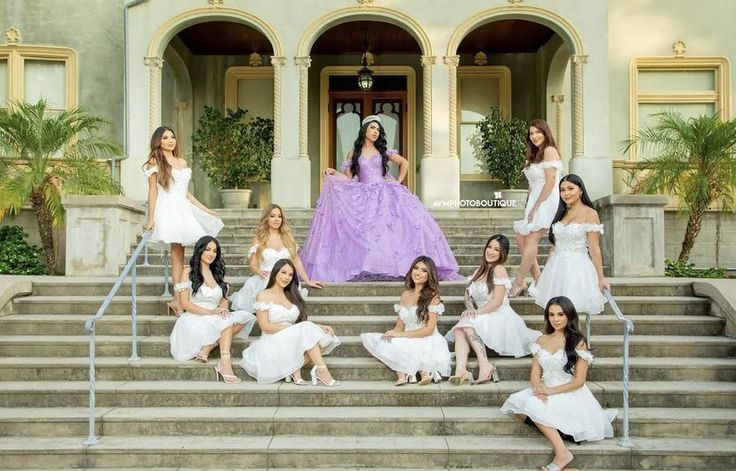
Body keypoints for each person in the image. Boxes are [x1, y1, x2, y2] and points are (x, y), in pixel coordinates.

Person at [300, 115, 462, 282]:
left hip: (385, 194)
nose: (376, 132)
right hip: (363, 196)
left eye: (378, 129)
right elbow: (348, 179)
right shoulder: (354, 153)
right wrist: (334, 173)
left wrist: (398, 181)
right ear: (364, 130)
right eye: (372, 128)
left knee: (392, 229)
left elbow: (404, 163)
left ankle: (394, 267)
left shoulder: (382, 151)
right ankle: (368, 266)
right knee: (369, 233)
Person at [501, 296, 616, 471]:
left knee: (532, 405)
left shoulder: (578, 342)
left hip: (567, 391)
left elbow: (579, 381)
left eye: (560, 314)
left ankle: (562, 453)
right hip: (545, 387)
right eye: (551, 314)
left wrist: (550, 391)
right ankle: (563, 432)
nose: (555, 319)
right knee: (516, 405)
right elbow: (535, 372)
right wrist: (538, 388)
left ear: (569, 316)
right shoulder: (542, 340)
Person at [142, 126, 223, 315]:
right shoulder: (155, 161)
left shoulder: (181, 161)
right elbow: (153, 192)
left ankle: (177, 298)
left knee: (182, 252)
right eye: (165, 138)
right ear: (158, 141)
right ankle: (178, 299)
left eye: (172, 137)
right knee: (176, 255)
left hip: (183, 208)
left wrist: (206, 209)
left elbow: (185, 192)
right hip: (168, 208)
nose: (170, 140)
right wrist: (151, 219)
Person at [446, 235, 541, 385]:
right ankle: (461, 369)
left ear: (502, 253)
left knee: (466, 324)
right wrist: (470, 308)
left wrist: (476, 313)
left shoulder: (499, 269)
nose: (491, 251)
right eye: (489, 247)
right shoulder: (479, 270)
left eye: (496, 249)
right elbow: (468, 294)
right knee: (460, 329)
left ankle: (484, 364)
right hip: (483, 313)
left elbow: (497, 302)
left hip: (499, 314)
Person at [169, 236, 256, 385]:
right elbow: (184, 303)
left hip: (215, 315)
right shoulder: (188, 272)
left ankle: (208, 347)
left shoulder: (218, 273)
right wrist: (210, 312)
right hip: (194, 317)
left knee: (246, 318)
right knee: (227, 324)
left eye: (215, 251)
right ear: (200, 250)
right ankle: (225, 362)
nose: (211, 254)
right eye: (207, 249)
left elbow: (223, 298)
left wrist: (222, 308)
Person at [240, 259, 341, 385]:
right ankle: (321, 370)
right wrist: (293, 329)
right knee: (308, 333)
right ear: (275, 273)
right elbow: (265, 326)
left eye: (290, 275)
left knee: (327, 335)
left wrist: (319, 326)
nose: (286, 277)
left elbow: (301, 322)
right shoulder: (263, 295)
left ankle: (294, 370)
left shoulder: (292, 294)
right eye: (283, 272)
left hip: (293, 336)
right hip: (273, 339)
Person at [361, 256, 452, 385]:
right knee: (381, 341)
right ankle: (407, 372)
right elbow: (400, 325)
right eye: (416, 268)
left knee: (413, 345)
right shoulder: (405, 295)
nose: (418, 273)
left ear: (429, 275)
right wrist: (393, 333)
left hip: (426, 337)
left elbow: (429, 329)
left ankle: (417, 370)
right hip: (406, 335)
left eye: (424, 270)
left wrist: (401, 335)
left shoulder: (433, 296)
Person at [528, 174, 609, 315]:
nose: (566, 193)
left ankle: (574, 337)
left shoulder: (590, 213)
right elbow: (555, 246)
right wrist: (545, 272)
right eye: (562, 190)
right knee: (555, 311)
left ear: (581, 190)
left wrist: (601, 279)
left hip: (577, 268)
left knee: (571, 311)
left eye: (570, 188)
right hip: (556, 267)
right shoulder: (562, 213)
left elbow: (595, 249)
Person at [230, 204, 323, 312]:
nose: (277, 219)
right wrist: (258, 271)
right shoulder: (259, 239)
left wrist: (307, 280)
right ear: (266, 218)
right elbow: (252, 265)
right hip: (265, 277)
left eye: (279, 216)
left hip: (285, 279)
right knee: (267, 286)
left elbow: (296, 260)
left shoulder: (287, 237)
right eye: (272, 216)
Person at [510, 119, 563, 297]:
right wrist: (529, 206)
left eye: (538, 132)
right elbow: (532, 185)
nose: (534, 136)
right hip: (534, 200)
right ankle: (539, 278)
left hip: (547, 199)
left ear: (545, 132)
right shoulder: (535, 154)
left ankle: (518, 283)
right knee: (521, 236)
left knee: (532, 237)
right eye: (531, 133)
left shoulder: (549, 150)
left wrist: (537, 206)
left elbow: (550, 182)